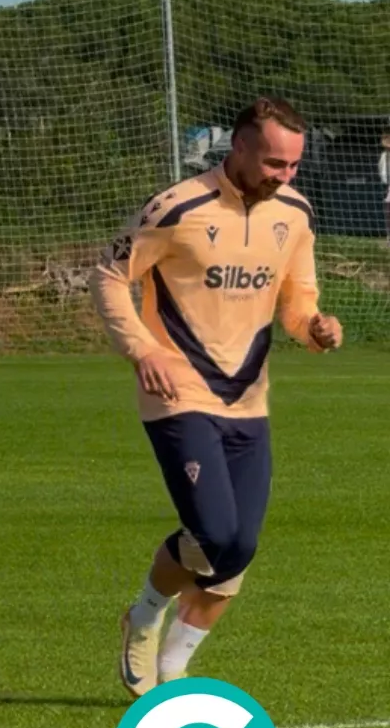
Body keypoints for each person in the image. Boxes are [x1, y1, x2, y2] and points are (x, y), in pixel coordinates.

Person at [96, 96, 339, 697]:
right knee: (215, 534)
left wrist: (313, 327)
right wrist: (141, 349)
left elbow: (296, 299)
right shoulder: (177, 207)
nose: (282, 176)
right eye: (273, 163)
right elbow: (107, 275)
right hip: (177, 392)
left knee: (239, 550)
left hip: (248, 401)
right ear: (239, 146)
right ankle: (147, 612)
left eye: (292, 167)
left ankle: (173, 672)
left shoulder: (296, 213)